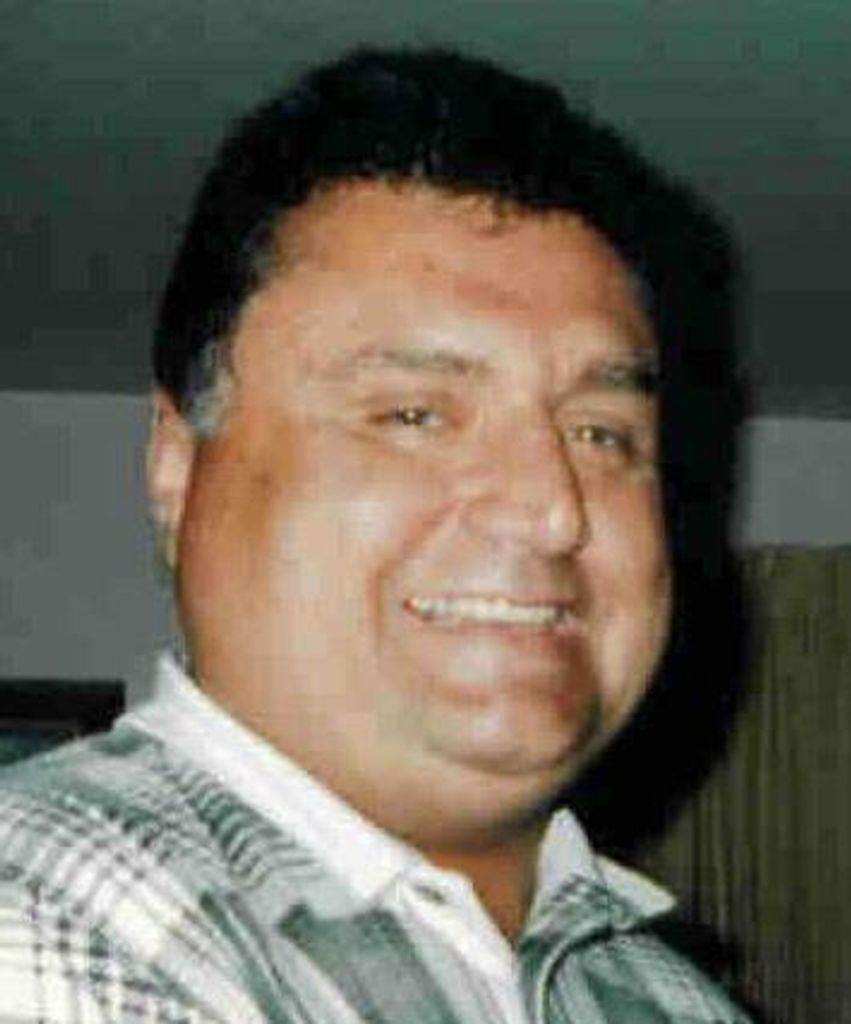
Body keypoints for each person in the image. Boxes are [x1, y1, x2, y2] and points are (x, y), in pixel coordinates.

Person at [0, 47, 750, 1022]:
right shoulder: (48, 911)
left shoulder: (669, 996)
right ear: (177, 470)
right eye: (413, 414)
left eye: (600, 434)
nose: (550, 507)